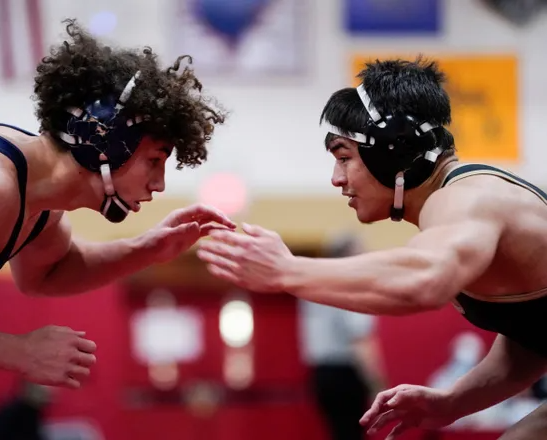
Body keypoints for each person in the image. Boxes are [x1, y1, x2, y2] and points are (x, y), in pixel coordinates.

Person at [0, 18, 235, 439]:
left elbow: (49, 274)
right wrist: (18, 351)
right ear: (108, 141)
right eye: (154, 161)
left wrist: (147, 249)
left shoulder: (36, 200)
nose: (159, 184)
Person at [196, 56, 547, 440]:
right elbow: (530, 342)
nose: (335, 178)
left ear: (393, 149)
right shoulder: (459, 208)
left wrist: (288, 270)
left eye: (344, 157)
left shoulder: (468, 198)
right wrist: (452, 402)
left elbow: (424, 280)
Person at [298, 233, 386, 440]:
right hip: (345, 374)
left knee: (339, 432)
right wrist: (377, 384)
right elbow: (360, 339)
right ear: (350, 256)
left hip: (321, 375)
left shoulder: (315, 285)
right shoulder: (350, 285)